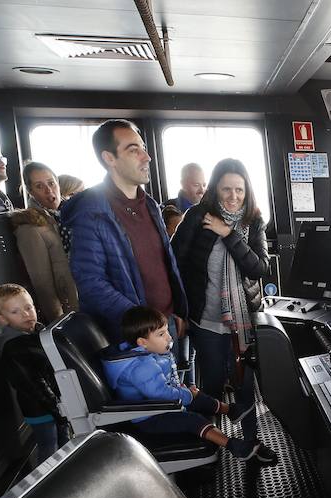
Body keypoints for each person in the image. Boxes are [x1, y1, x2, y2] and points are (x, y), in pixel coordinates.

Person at [172, 157, 276, 464]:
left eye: (240, 190)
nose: (233, 196)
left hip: (242, 322)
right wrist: (179, 311)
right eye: (227, 189)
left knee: (246, 384)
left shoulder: (253, 221)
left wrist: (228, 234)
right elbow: (175, 264)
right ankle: (210, 448)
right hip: (206, 321)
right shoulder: (196, 217)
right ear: (216, 188)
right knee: (213, 385)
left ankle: (252, 444)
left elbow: (259, 268)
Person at [63, 119, 190, 344]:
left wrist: (176, 308)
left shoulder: (149, 204)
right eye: (134, 150)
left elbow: (163, 262)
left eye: (143, 148)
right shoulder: (91, 211)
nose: (146, 157)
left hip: (165, 323)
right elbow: (91, 282)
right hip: (133, 332)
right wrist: (145, 325)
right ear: (109, 158)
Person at [103, 307, 274, 464]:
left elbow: (165, 385)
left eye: (166, 332)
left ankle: (230, 410)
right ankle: (235, 447)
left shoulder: (149, 356)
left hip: (161, 406)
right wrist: (185, 394)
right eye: (161, 334)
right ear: (142, 342)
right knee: (193, 419)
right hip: (150, 418)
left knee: (196, 395)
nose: (169, 338)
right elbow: (161, 394)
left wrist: (186, 391)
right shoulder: (141, 367)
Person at [0, 284, 66, 462]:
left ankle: (66, 472)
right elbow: (32, 384)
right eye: (15, 312)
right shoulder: (13, 347)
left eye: (28, 307)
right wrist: (57, 408)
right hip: (40, 409)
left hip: (57, 403)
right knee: (49, 446)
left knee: (64, 441)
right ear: (2, 319)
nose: (25, 314)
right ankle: (47, 482)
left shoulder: (39, 331)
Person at [11, 161, 78, 323]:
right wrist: (58, 321)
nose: (49, 191)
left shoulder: (72, 213)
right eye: (39, 186)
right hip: (68, 305)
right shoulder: (29, 227)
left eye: (51, 183)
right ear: (31, 192)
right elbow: (42, 283)